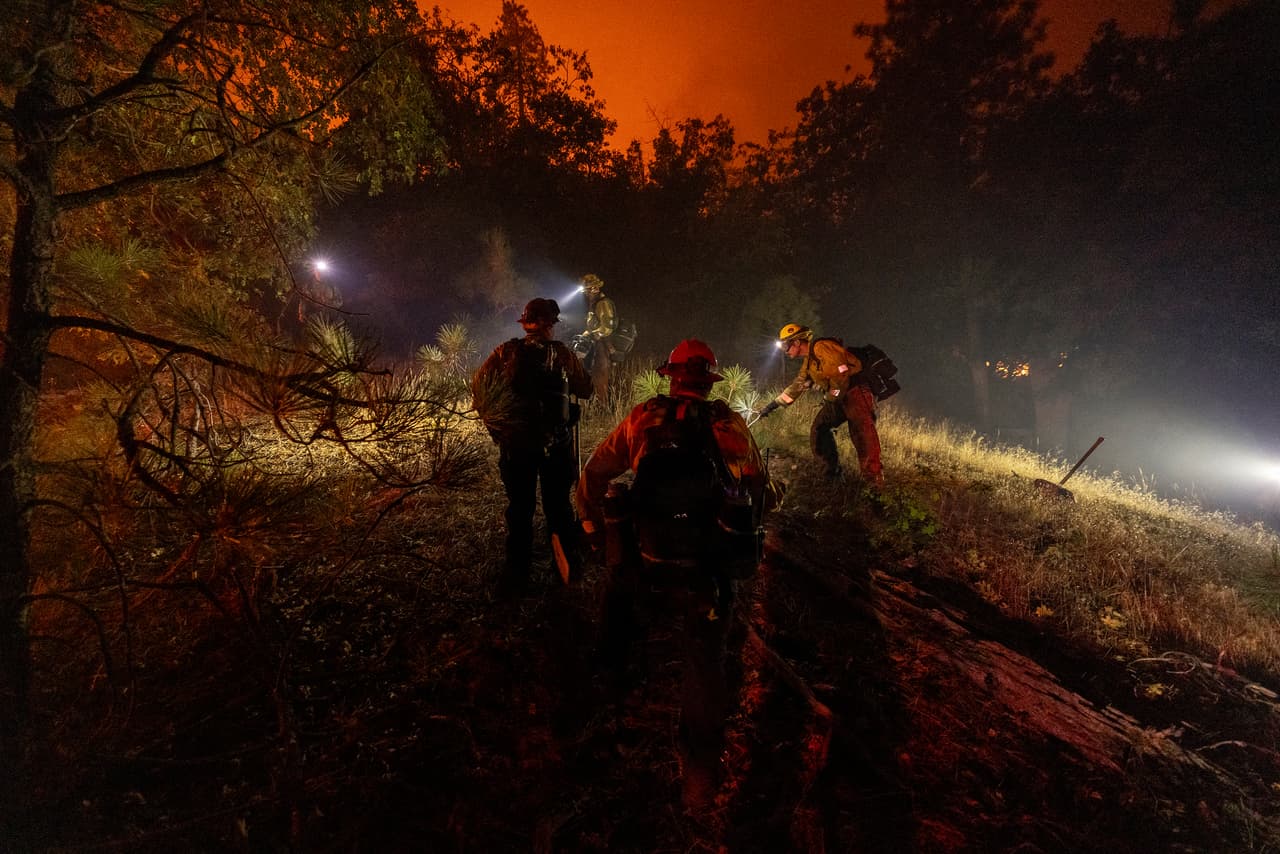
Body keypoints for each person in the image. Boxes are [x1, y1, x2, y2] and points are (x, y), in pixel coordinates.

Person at [577, 339, 782, 810]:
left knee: (616, 595)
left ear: (670, 377)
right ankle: (700, 771)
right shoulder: (727, 423)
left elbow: (594, 473)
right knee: (706, 660)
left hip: (646, 561)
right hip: (704, 571)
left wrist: (589, 522)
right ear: (710, 382)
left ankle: (605, 689)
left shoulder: (643, 417)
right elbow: (759, 491)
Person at [472, 298, 593, 597]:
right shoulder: (563, 354)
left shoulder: (505, 352)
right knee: (559, 508)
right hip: (557, 445)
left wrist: (498, 428)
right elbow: (587, 389)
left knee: (520, 509)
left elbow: (479, 389)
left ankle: (516, 573)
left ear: (525, 323)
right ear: (551, 325)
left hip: (517, 447)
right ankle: (566, 571)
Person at [757, 323, 884, 486]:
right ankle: (832, 477)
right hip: (838, 397)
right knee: (819, 428)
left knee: (862, 433)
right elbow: (798, 386)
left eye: (785, 345)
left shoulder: (822, 348)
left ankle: (874, 483)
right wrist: (772, 406)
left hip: (855, 392)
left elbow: (842, 374)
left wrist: (830, 398)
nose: (784, 350)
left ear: (796, 342)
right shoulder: (808, 362)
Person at [579, 274, 617, 403]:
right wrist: (584, 335)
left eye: (588, 291)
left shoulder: (603, 303)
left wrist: (592, 335)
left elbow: (606, 328)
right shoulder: (594, 304)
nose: (586, 294)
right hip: (595, 345)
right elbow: (592, 325)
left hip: (603, 346)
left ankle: (602, 409)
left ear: (595, 288)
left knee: (600, 381)